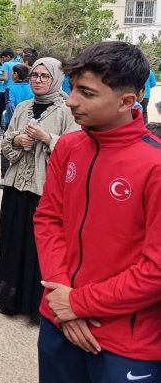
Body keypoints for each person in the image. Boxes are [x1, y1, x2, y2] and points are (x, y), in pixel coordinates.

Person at [34, 42, 161, 382]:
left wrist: (80, 303)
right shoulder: (70, 147)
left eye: (86, 93)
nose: (71, 100)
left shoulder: (154, 166)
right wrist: (63, 298)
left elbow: (155, 271)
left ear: (126, 102)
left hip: (125, 342)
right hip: (58, 318)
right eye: (72, 88)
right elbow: (49, 219)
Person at [0, 58, 78, 322]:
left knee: (38, 248)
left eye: (44, 76)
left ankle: (35, 305)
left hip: (45, 191)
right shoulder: (22, 107)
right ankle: (10, 298)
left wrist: (48, 138)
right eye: (34, 75)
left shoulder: (67, 111)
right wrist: (18, 140)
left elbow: (76, 150)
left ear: (56, 79)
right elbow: (8, 140)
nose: (38, 80)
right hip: (16, 186)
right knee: (12, 242)